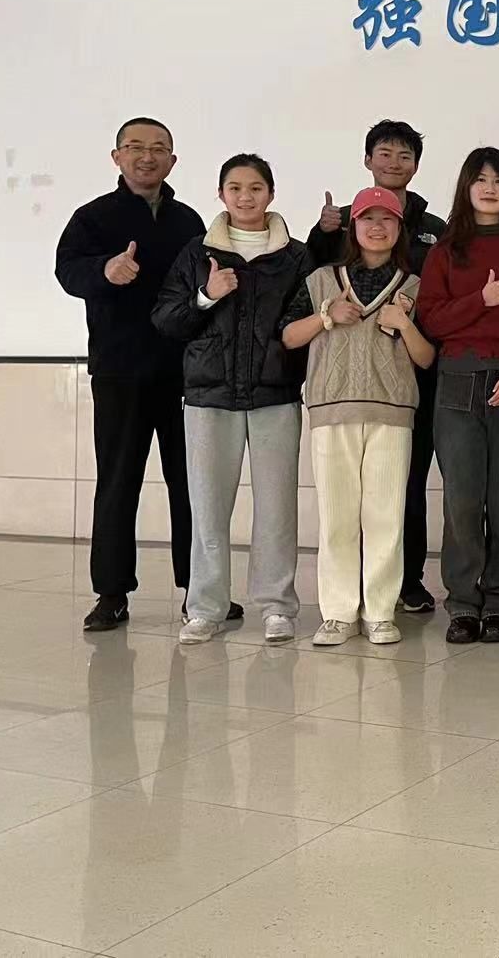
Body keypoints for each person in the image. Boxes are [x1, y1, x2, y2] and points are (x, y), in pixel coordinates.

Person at [55, 118, 206, 632]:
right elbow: (67, 270)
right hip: (120, 369)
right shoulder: (93, 217)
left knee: (191, 484)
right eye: (136, 147)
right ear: (116, 156)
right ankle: (111, 593)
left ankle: (199, 592)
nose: (148, 156)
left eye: (159, 148)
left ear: (173, 160)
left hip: (185, 373)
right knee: (118, 482)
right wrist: (105, 270)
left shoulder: (189, 221)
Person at [152, 154, 310, 644]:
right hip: (209, 396)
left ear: (271, 194)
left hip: (274, 394)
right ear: (221, 194)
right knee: (207, 506)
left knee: (277, 506)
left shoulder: (295, 257)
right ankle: (204, 607)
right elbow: (166, 318)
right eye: (235, 188)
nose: (246, 196)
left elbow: (302, 321)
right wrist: (206, 294)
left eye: (256, 187)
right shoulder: (197, 252)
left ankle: (277, 607)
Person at [282, 188, 435, 647]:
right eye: (367, 218)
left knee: (385, 515)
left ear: (400, 229)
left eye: (386, 219)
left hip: (392, 412)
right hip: (332, 409)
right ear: (353, 227)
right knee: (337, 516)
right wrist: (327, 317)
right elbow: (289, 336)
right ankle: (337, 613)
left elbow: (427, 358)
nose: (376, 227)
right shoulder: (321, 280)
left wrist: (404, 324)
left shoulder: (414, 286)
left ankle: (381, 612)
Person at [307, 121, 447, 616]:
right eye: (384, 153)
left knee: (405, 484)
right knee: (344, 501)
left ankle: (405, 582)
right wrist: (323, 232)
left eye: (404, 155)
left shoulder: (435, 227)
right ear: (368, 160)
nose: (393, 162)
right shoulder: (340, 222)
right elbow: (314, 281)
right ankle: (349, 596)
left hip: (411, 374)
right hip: (344, 382)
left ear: (416, 165)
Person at [414, 148, 499, 645]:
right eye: (480, 179)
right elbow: (432, 320)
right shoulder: (446, 251)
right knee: (463, 501)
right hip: (457, 381)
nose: (490, 188)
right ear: (466, 187)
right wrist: (481, 300)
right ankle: (463, 604)